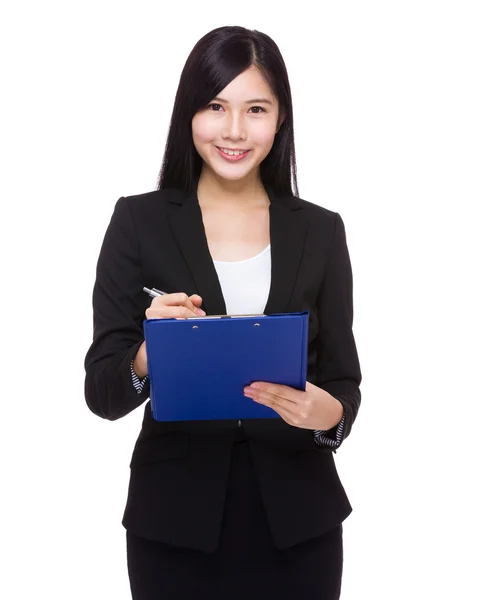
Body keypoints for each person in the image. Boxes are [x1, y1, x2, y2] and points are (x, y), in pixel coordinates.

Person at [84, 25, 362, 600]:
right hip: (174, 525)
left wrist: (328, 416)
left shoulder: (320, 229)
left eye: (255, 108)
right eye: (216, 106)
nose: (235, 130)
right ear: (189, 113)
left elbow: (342, 379)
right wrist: (148, 348)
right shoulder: (138, 222)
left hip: (300, 524)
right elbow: (103, 393)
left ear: (280, 118)